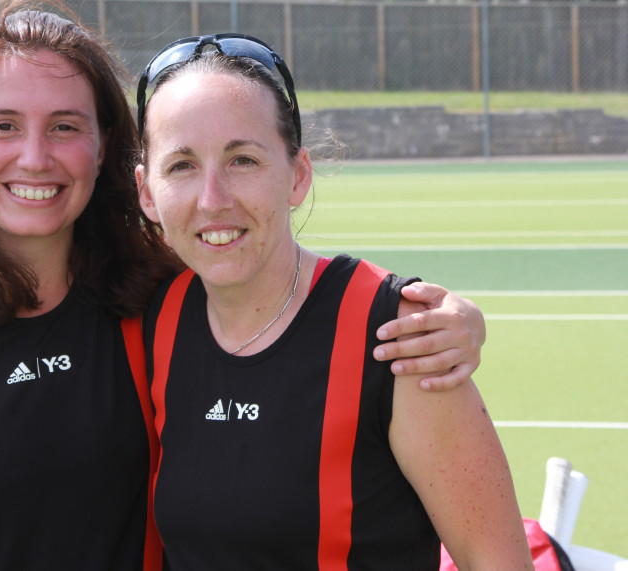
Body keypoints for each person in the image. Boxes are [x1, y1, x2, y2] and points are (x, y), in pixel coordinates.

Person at [0, 0, 488, 571]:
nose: (35, 157)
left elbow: (272, 282)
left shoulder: (156, 294)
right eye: (4, 125)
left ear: (106, 146)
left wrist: (446, 317)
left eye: (66, 125)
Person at [133, 33, 534, 570]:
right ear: (145, 192)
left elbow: (499, 563)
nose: (213, 199)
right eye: (181, 165)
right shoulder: (153, 319)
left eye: (243, 160)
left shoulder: (400, 336)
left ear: (297, 175)